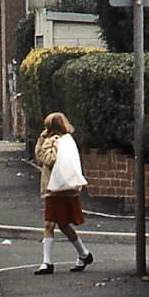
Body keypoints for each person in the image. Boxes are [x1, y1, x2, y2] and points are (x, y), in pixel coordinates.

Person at [33, 112, 94, 275]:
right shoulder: (69, 141)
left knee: (50, 224)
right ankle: (84, 254)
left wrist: (43, 142)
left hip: (55, 188)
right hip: (67, 187)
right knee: (63, 224)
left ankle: (47, 263)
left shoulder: (55, 141)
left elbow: (46, 160)